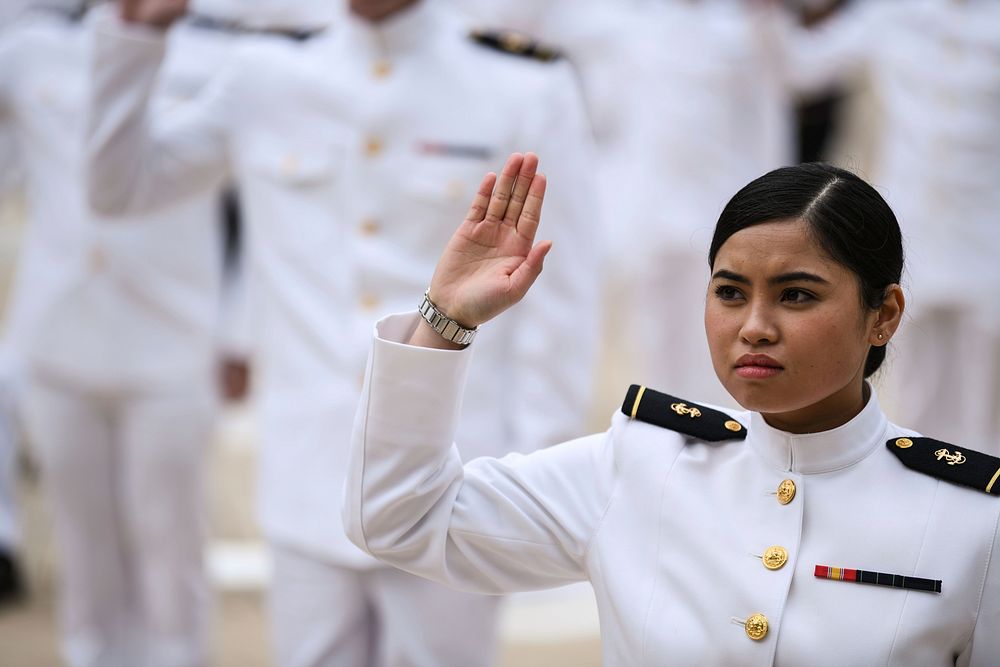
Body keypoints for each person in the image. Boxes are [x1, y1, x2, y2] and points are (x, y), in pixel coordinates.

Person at [87, 1, 600, 664]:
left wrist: (530, 480)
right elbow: (117, 190)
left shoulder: (522, 83)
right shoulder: (266, 72)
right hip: (310, 476)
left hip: (457, 477)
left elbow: (562, 300)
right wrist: (136, 36)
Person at [344, 153, 1000, 664]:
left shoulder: (973, 520)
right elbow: (400, 515)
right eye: (730, 292)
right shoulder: (638, 465)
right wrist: (446, 318)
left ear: (882, 315)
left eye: (797, 295)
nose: (755, 326)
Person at [0, 1, 239, 663]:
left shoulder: (222, 57)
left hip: (172, 335)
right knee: (84, 546)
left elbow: (252, 213)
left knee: (172, 544)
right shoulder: (30, 52)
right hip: (59, 332)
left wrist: (240, 330)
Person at [772, 0, 1000, 452]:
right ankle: (925, 509)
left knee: (986, 401)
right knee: (915, 391)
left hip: (989, 241)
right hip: (916, 236)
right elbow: (803, 68)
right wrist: (766, 15)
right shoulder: (895, 13)